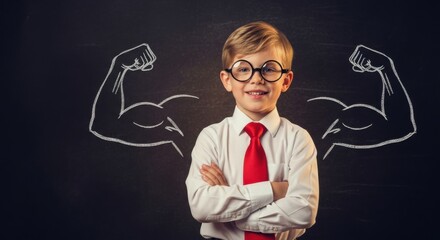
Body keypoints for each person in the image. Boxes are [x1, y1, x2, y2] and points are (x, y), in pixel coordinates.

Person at [185, 21, 319, 240]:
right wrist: (275, 190)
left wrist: (231, 214)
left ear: (285, 81)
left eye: (269, 69)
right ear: (227, 80)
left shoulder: (298, 139)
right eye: (244, 69)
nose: (256, 78)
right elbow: (202, 206)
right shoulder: (211, 138)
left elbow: (304, 210)